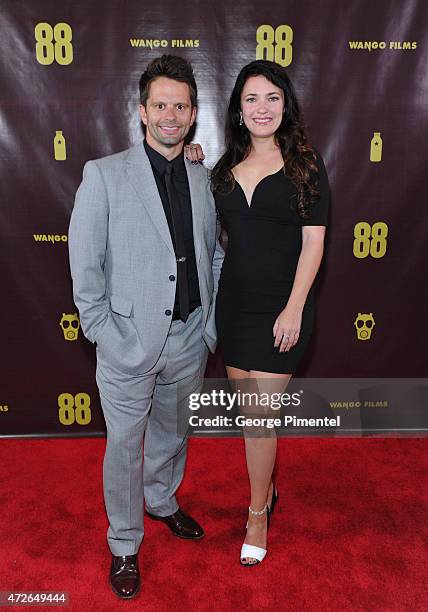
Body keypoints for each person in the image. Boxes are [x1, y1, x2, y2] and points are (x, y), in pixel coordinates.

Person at [68, 54, 224, 598]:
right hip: (127, 345)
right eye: (160, 105)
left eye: (180, 106)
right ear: (142, 111)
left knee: (171, 436)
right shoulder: (104, 174)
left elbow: (212, 255)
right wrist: (105, 334)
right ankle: (125, 543)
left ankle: (162, 502)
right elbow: (84, 270)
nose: (170, 115)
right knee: (123, 447)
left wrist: (210, 326)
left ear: (192, 113)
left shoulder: (203, 177)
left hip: (188, 340)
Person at [186, 59, 330, 566]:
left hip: (282, 309)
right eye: (251, 99)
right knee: (253, 415)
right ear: (238, 111)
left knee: (257, 421)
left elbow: (314, 244)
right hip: (235, 308)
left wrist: (294, 308)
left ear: (284, 105)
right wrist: (192, 158)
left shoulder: (305, 164)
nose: (262, 107)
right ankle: (267, 489)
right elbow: (205, 218)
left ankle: (257, 514)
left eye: (272, 97)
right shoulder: (223, 170)